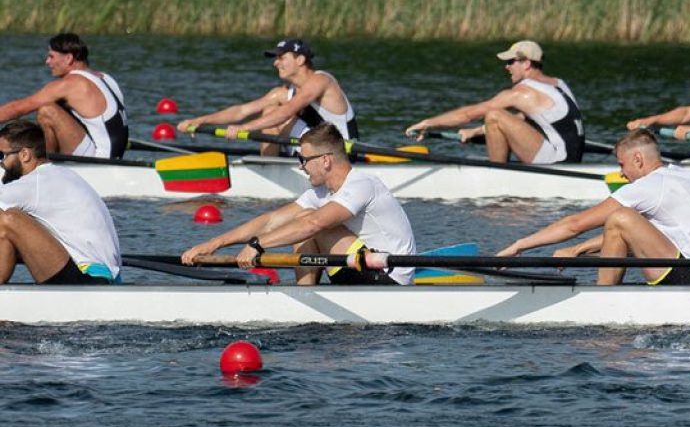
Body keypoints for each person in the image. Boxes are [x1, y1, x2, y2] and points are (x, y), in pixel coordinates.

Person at [181, 124, 417, 285]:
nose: (301, 166)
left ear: (325, 160)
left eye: (303, 160)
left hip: (390, 278)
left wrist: (258, 245)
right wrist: (214, 243)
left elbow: (313, 224)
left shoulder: (361, 184)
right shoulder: (321, 192)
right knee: (300, 221)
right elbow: (271, 220)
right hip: (361, 267)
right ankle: (304, 296)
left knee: (308, 222)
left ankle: (305, 298)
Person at [497, 129, 690, 286]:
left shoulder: (648, 186)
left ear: (638, 159)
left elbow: (574, 225)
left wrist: (519, 246)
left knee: (620, 217)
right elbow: (633, 237)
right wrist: (577, 250)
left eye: (622, 164)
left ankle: (604, 299)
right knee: (623, 223)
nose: (621, 173)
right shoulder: (689, 176)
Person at [403, 40, 584, 164]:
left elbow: (468, 114)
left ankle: (497, 174)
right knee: (494, 121)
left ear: (527, 64)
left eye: (511, 61)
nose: (506, 67)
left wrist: (429, 123)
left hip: (558, 160)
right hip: (572, 158)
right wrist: (477, 131)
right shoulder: (558, 84)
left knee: (494, 116)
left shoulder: (523, 92)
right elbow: (527, 120)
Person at [177, 39, 359, 155]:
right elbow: (241, 111)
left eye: (281, 58)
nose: (275, 63)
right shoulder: (282, 93)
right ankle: (270, 166)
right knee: (270, 108)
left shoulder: (320, 80)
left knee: (274, 114)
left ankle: (269, 169)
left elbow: (286, 113)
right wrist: (200, 120)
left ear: (300, 60)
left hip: (340, 152)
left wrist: (243, 129)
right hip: (314, 149)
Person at [0, 121, 122, 284]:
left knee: (9, 219)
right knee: (7, 231)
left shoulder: (35, 183)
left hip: (90, 279)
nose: (0, 163)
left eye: (1, 156)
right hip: (101, 276)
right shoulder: (60, 174)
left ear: (24, 155)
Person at [0, 33, 128, 160]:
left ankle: (44, 168)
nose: (47, 61)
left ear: (68, 58)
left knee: (46, 110)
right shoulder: (104, 78)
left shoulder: (72, 83)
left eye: (51, 56)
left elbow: (19, 108)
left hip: (99, 160)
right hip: (113, 156)